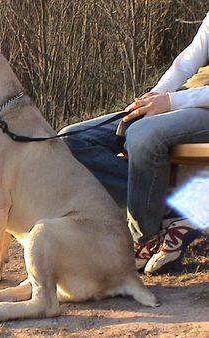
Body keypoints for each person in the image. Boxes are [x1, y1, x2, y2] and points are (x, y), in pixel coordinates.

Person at [61, 11, 209, 274]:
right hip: (186, 99)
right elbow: (186, 61)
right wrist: (154, 96)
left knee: (143, 136)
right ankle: (175, 211)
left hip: (201, 109)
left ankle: (143, 237)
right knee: (71, 140)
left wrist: (171, 102)